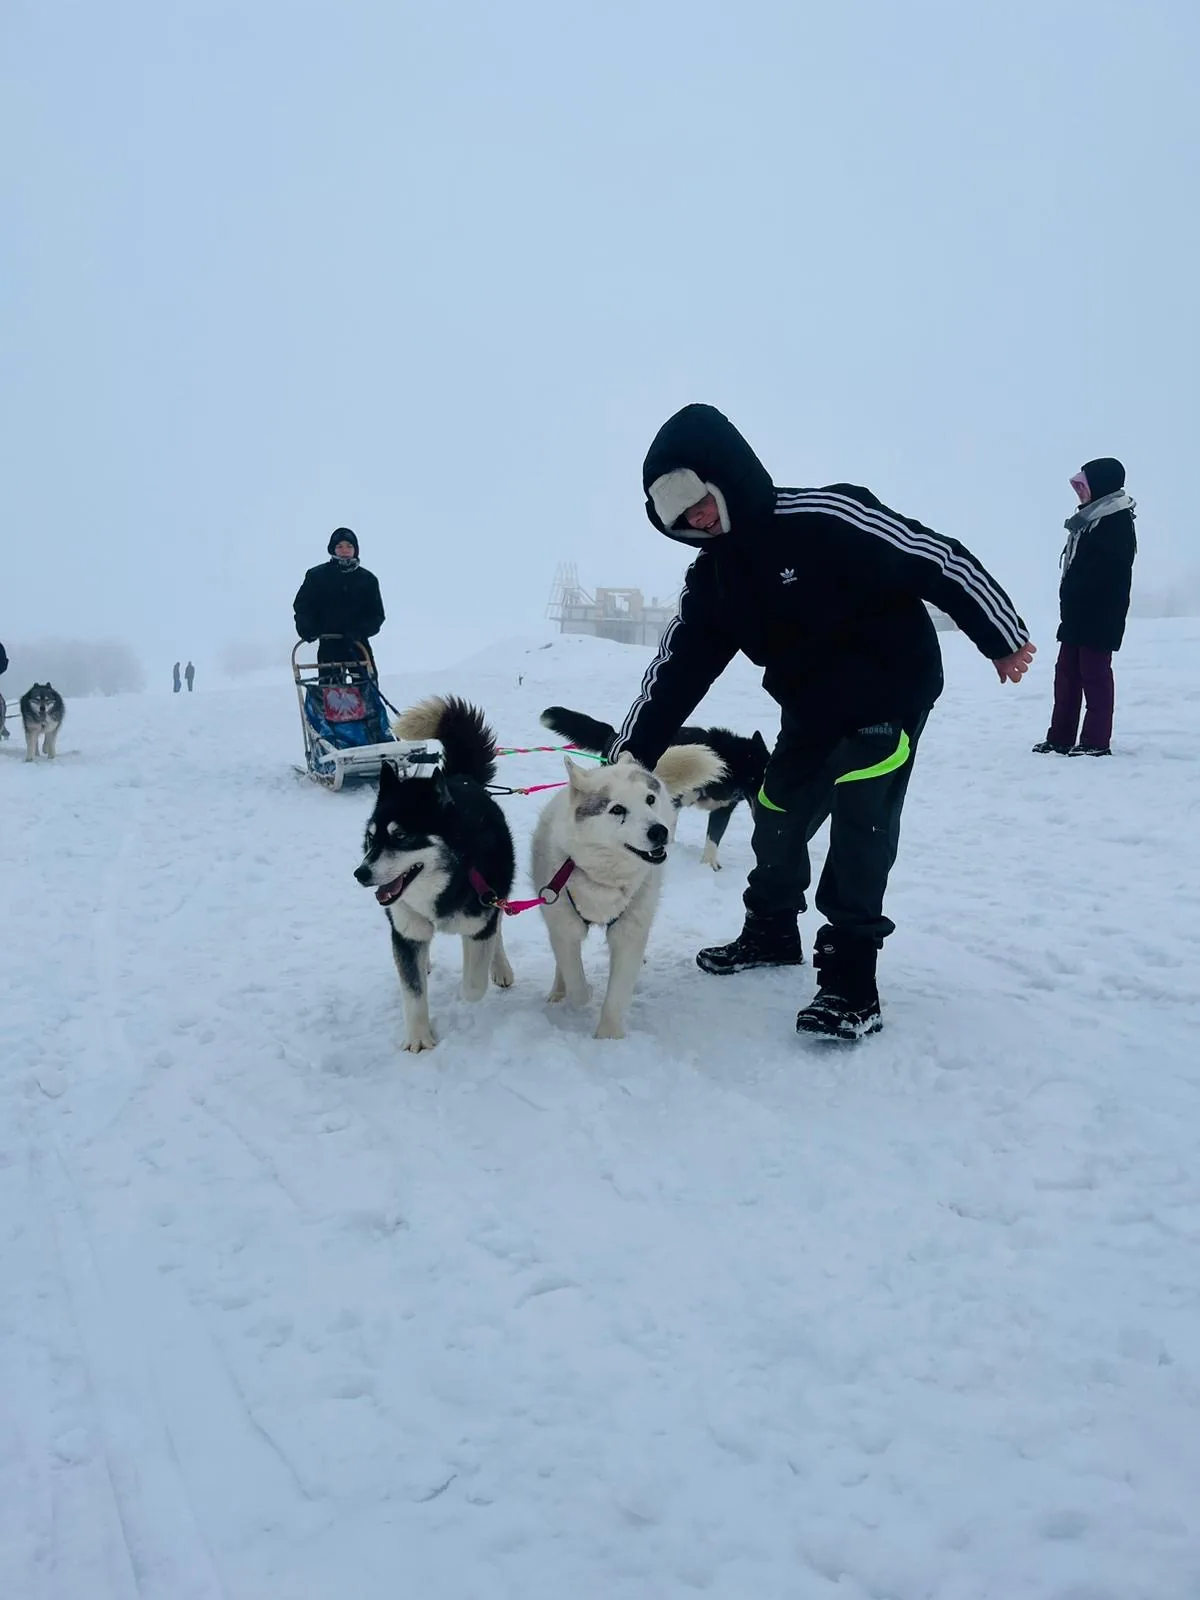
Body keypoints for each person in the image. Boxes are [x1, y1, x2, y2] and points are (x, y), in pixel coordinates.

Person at [608, 404, 1035, 1040]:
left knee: (862, 828)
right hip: (809, 708)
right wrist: (629, 756)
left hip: (889, 694)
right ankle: (772, 930)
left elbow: (933, 556)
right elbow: (677, 670)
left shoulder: (824, 518)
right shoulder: (714, 581)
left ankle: (850, 982)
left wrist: (999, 634)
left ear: (728, 474)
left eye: (696, 499)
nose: (694, 518)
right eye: (677, 516)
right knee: (777, 815)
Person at [1033, 457, 1136, 758]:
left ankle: (1095, 741)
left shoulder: (1115, 521)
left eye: (1084, 485)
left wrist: (1083, 597)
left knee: (1094, 675)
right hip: (1078, 614)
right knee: (1066, 674)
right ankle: (1060, 738)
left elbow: (1109, 573)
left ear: (1101, 486)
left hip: (1100, 615)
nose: (1079, 492)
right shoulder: (1090, 521)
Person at [293, 528, 385, 682]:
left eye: (349, 546)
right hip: (329, 643)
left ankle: (369, 705)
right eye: (340, 546)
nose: (344, 550)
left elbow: (376, 614)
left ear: (355, 550)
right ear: (332, 549)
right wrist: (308, 628)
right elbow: (303, 606)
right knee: (330, 691)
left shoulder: (368, 579)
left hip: (357, 643)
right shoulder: (316, 576)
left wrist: (359, 631)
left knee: (367, 688)